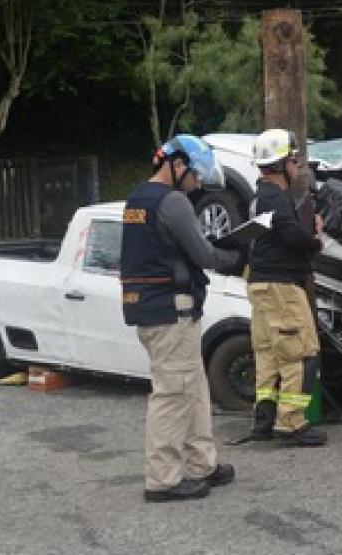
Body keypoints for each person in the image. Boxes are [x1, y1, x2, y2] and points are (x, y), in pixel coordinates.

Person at [120, 135, 238, 503]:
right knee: (172, 394)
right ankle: (162, 480)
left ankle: (203, 463)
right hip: (171, 311)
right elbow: (203, 254)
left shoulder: (137, 199)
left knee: (193, 387)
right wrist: (238, 256)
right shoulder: (173, 202)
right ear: (178, 165)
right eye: (196, 175)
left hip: (151, 310)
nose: (198, 184)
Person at [246, 128, 327, 446]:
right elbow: (292, 236)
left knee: (268, 353)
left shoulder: (258, 197)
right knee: (300, 352)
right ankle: (291, 423)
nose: (297, 166)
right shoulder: (276, 198)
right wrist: (316, 240)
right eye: (294, 160)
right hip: (281, 286)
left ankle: (264, 418)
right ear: (280, 164)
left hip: (261, 284)